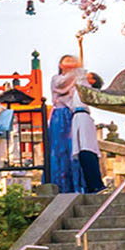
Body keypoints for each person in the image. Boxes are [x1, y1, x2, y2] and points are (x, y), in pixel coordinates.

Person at [47, 55, 80, 193]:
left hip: (72, 114)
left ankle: (76, 183)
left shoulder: (75, 78)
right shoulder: (57, 79)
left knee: (74, 150)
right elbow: (62, 86)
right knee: (59, 151)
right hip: (60, 115)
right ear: (60, 65)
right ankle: (59, 184)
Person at [70, 73, 105, 194]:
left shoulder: (85, 87)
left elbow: (79, 76)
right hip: (77, 117)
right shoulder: (79, 87)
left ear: (92, 80)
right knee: (82, 150)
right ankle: (90, 184)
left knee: (87, 149)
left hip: (83, 117)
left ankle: (96, 183)